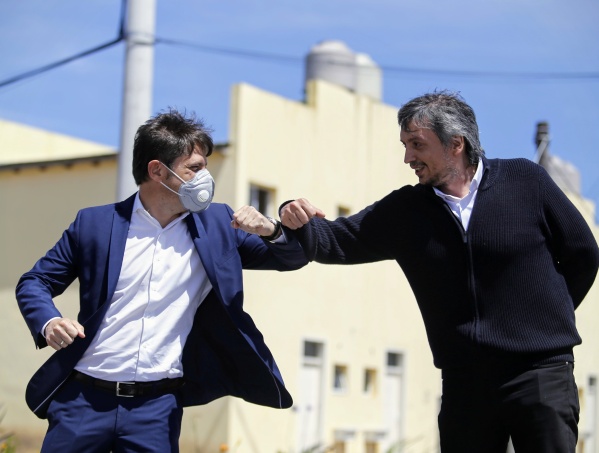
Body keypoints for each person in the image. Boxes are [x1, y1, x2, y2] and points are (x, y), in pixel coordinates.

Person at [280, 91, 599, 453]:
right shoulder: (406, 211)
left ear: (456, 144)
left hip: (540, 374)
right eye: (405, 145)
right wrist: (291, 216)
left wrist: (546, 319)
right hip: (465, 385)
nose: (407, 157)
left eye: (417, 144)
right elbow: (337, 240)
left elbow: (583, 254)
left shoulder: (527, 180)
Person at [16, 108, 308, 453]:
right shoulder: (95, 223)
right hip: (83, 401)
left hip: (156, 410)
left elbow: (292, 258)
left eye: (205, 167)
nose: (205, 177)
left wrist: (271, 230)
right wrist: (48, 321)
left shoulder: (221, 224)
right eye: (194, 168)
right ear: (157, 170)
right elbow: (35, 281)